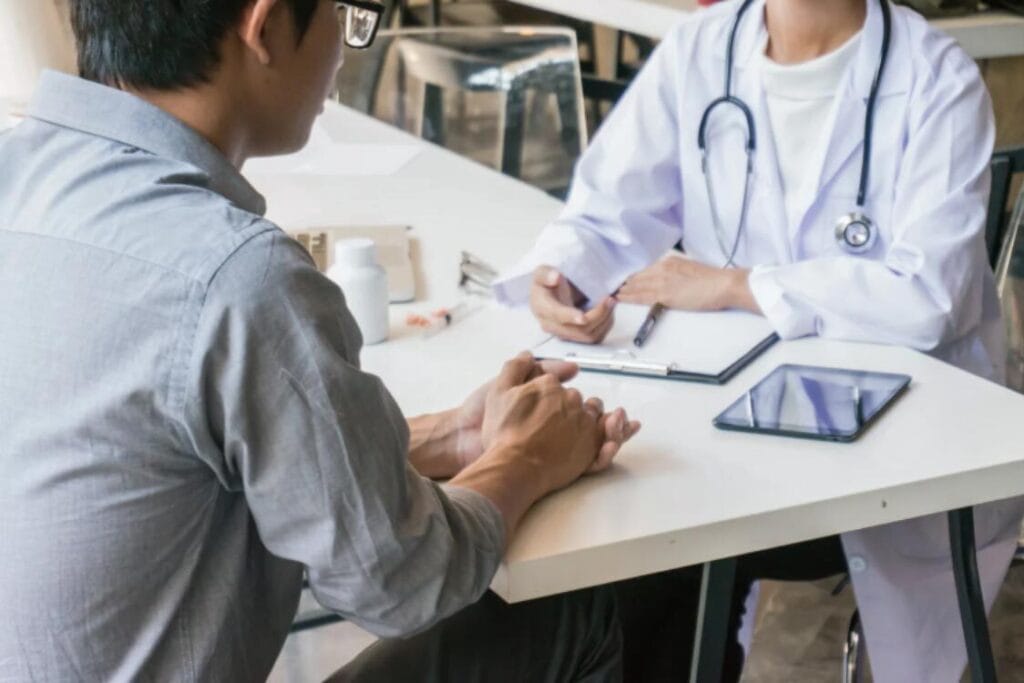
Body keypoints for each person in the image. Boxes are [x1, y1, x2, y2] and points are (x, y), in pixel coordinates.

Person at [0, 1, 643, 681]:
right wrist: (525, 459)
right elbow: (398, 581)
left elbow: (147, 460)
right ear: (267, 26)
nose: (343, 44)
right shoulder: (236, 276)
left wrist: (446, 435)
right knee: (572, 615)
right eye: (341, 10)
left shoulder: (17, 174)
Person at [495, 0, 1024, 679]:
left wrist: (737, 285)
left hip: (892, 451)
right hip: (730, 418)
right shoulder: (700, 49)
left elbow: (927, 299)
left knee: (661, 550)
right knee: (622, 541)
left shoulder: (936, 78)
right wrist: (563, 274)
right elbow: (605, 209)